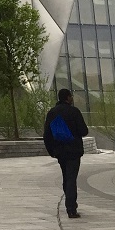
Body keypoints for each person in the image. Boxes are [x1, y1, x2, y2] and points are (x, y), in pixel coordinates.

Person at [43, 88, 88, 219]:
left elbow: (47, 134)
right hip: (74, 150)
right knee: (71, 178)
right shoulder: (74, 111)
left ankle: (70, 202)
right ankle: (71, 208)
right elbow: (83, 130)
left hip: (60, 151)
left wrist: (51, 151)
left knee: (66, 177)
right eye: (71, 96)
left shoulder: (52, 113)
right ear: (68, 98)